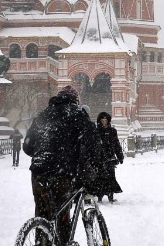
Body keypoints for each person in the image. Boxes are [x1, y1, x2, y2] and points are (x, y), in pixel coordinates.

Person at [23, 86, 100, 246]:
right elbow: (94, 142)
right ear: (75, 101)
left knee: (42, 213)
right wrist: (96, 163)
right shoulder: (77, 115)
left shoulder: (42, 115)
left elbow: (27, 147)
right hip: (62, 171)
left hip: (38, 171)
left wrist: (43, 155)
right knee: (62, 214)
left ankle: (41, 240)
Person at [91, 112, 124, 203]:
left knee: (110, 177)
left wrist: (120, 156)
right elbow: (93, 145)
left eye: (105, 120)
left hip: (110, 158)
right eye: (102, 121)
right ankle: (100, 196)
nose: (104, 122)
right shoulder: (96, 131)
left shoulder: (112, 131)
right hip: (100, 158)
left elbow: (116, 144)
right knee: (100, 178)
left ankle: (110, 196)